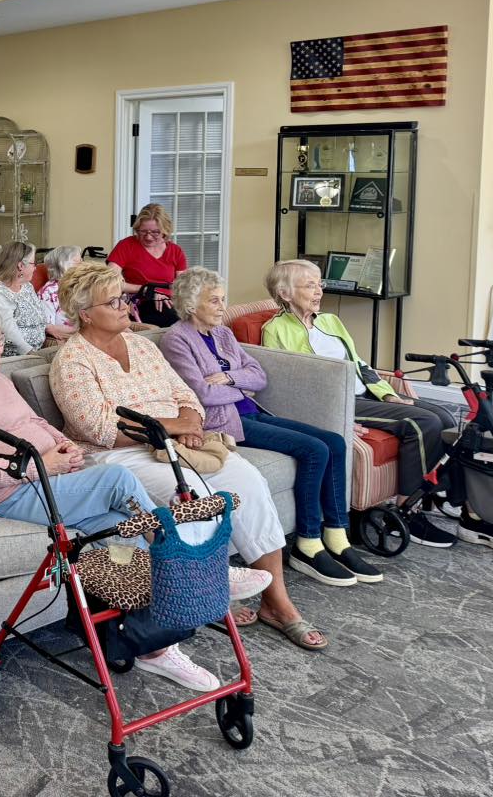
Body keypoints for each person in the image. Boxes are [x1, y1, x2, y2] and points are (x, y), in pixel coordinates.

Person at [0, 299, 226, 692]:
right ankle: (186, 555)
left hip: (45, 480)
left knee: (119, 528)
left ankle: (151, 643)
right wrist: (45, 465)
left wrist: (64, 445)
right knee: (117, 480)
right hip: (11, 494)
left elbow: (32, 420)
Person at [51, 261, 326, 651]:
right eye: (112, 302)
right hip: (117, 457)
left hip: (174, 444)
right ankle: (214, 585)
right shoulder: (72, 360)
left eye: (123, 298)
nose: (124, 306)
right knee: (194, 496)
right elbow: (99, 427)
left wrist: (190, 423)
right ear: (85, 314)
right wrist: (173, 427)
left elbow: (187, 394)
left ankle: (276, 603)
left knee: (248, 481)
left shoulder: (143, 346)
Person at [259, 260, 493, 551]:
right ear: (285, 293)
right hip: (340, 403)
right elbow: (286, 388)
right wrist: (333, 420)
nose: (319, 291)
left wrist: (388, 395)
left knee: (444, 416)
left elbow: (360, 363)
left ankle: (465, 510)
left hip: (367, 394)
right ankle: (407, 512)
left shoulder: (330, 321)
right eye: (310, 285)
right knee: (422, 423)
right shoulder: (275, 330)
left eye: (320, 284)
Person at [161, 267, 381, 587]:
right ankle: (308, 544)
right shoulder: (176, 340)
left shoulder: (223, 334)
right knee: (314, 450)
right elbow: (202, 394)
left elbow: (258, 376)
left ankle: (337, 535)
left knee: (335, 441)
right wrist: (241, 387)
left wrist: (230, 378)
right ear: (191, 304)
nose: (223, 307)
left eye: (223, 299)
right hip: (225, 422)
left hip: (253, 411)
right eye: (214, 301)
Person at [107, 203, 187, 328]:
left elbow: (183, 287)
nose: (148, 237)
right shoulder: (126, 246)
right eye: (143, 232)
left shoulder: (176, 251)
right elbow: (109, 281)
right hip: (140, 302)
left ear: (165, 231)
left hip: (170, 302)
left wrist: (164, 294)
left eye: (155, 232)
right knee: (172, 319)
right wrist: (147, 291)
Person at [0, 242, 55, 357]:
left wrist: (52, 329)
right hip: (12, 356)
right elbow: (8, 331)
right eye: (34, 263)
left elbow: (38, 316)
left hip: (36, 350)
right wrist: (33, 355)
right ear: (21, 266)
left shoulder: (27, 286)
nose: (35, 268)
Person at [38, 245, 82, 341]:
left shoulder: (82, 285)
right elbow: (50, 328)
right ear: (64, 265)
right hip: (67, 339)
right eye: (78, 262)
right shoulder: (48, 292)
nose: (82, 266)